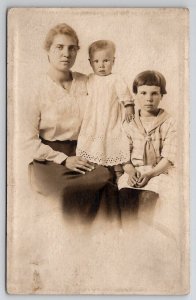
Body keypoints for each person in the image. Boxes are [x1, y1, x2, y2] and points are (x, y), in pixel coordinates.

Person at [26, 24, 119, 221]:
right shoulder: (35, 90)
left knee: (107, 179)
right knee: (72, 191)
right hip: (50, 159)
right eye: (59, 47)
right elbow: (26, 141)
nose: (66, 53)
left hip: (87, 151)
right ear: (48, 51)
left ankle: (108, 243)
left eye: (72, 48)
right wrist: (64, 159)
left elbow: (112, 103)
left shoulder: (88, 81)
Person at [118, 70, 177, 217]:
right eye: (143, 93)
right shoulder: (129, 123)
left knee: (148, 199)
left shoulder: (170, 122)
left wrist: (150, 174)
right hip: (134, 171)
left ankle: (145, 235)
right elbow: (124, 155)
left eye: (154, 93)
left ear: (162, 95)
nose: (149, 98)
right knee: (125, 197)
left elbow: (168, 158)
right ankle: (128, 234)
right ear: (135, 95)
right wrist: (131, 172)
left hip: (158, 172)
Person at [76, 40, 135, 172]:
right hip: (94, 119)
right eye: (96, 61)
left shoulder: (116, 79)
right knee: (91, 142)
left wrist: (129, 107)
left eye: (106, 61)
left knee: (114, 143)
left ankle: (118, 172)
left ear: (113, 61)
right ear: (90, 62)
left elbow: (125, 95)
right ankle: (93, 168)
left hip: (111, 118)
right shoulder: (89, 79)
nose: (101, 65)